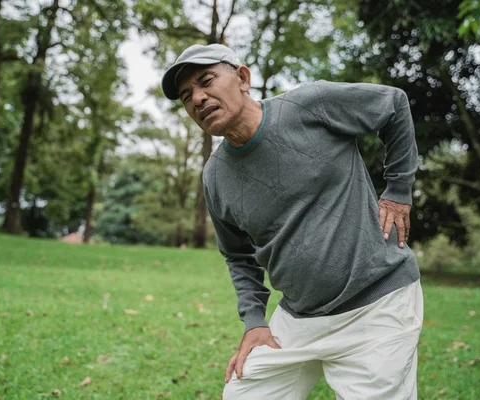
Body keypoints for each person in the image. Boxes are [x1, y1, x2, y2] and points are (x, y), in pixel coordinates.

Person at [161, 43, 424, 400]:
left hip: (378, 305)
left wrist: (398, 189)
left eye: (206, 81)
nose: (198, 98)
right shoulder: (214, 176)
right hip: (299, 318)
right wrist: (254, 321)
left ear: (242, 78)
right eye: (186, 95)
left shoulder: (310, 104)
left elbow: (393, 104)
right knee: (243, 394)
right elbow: (238, 256)